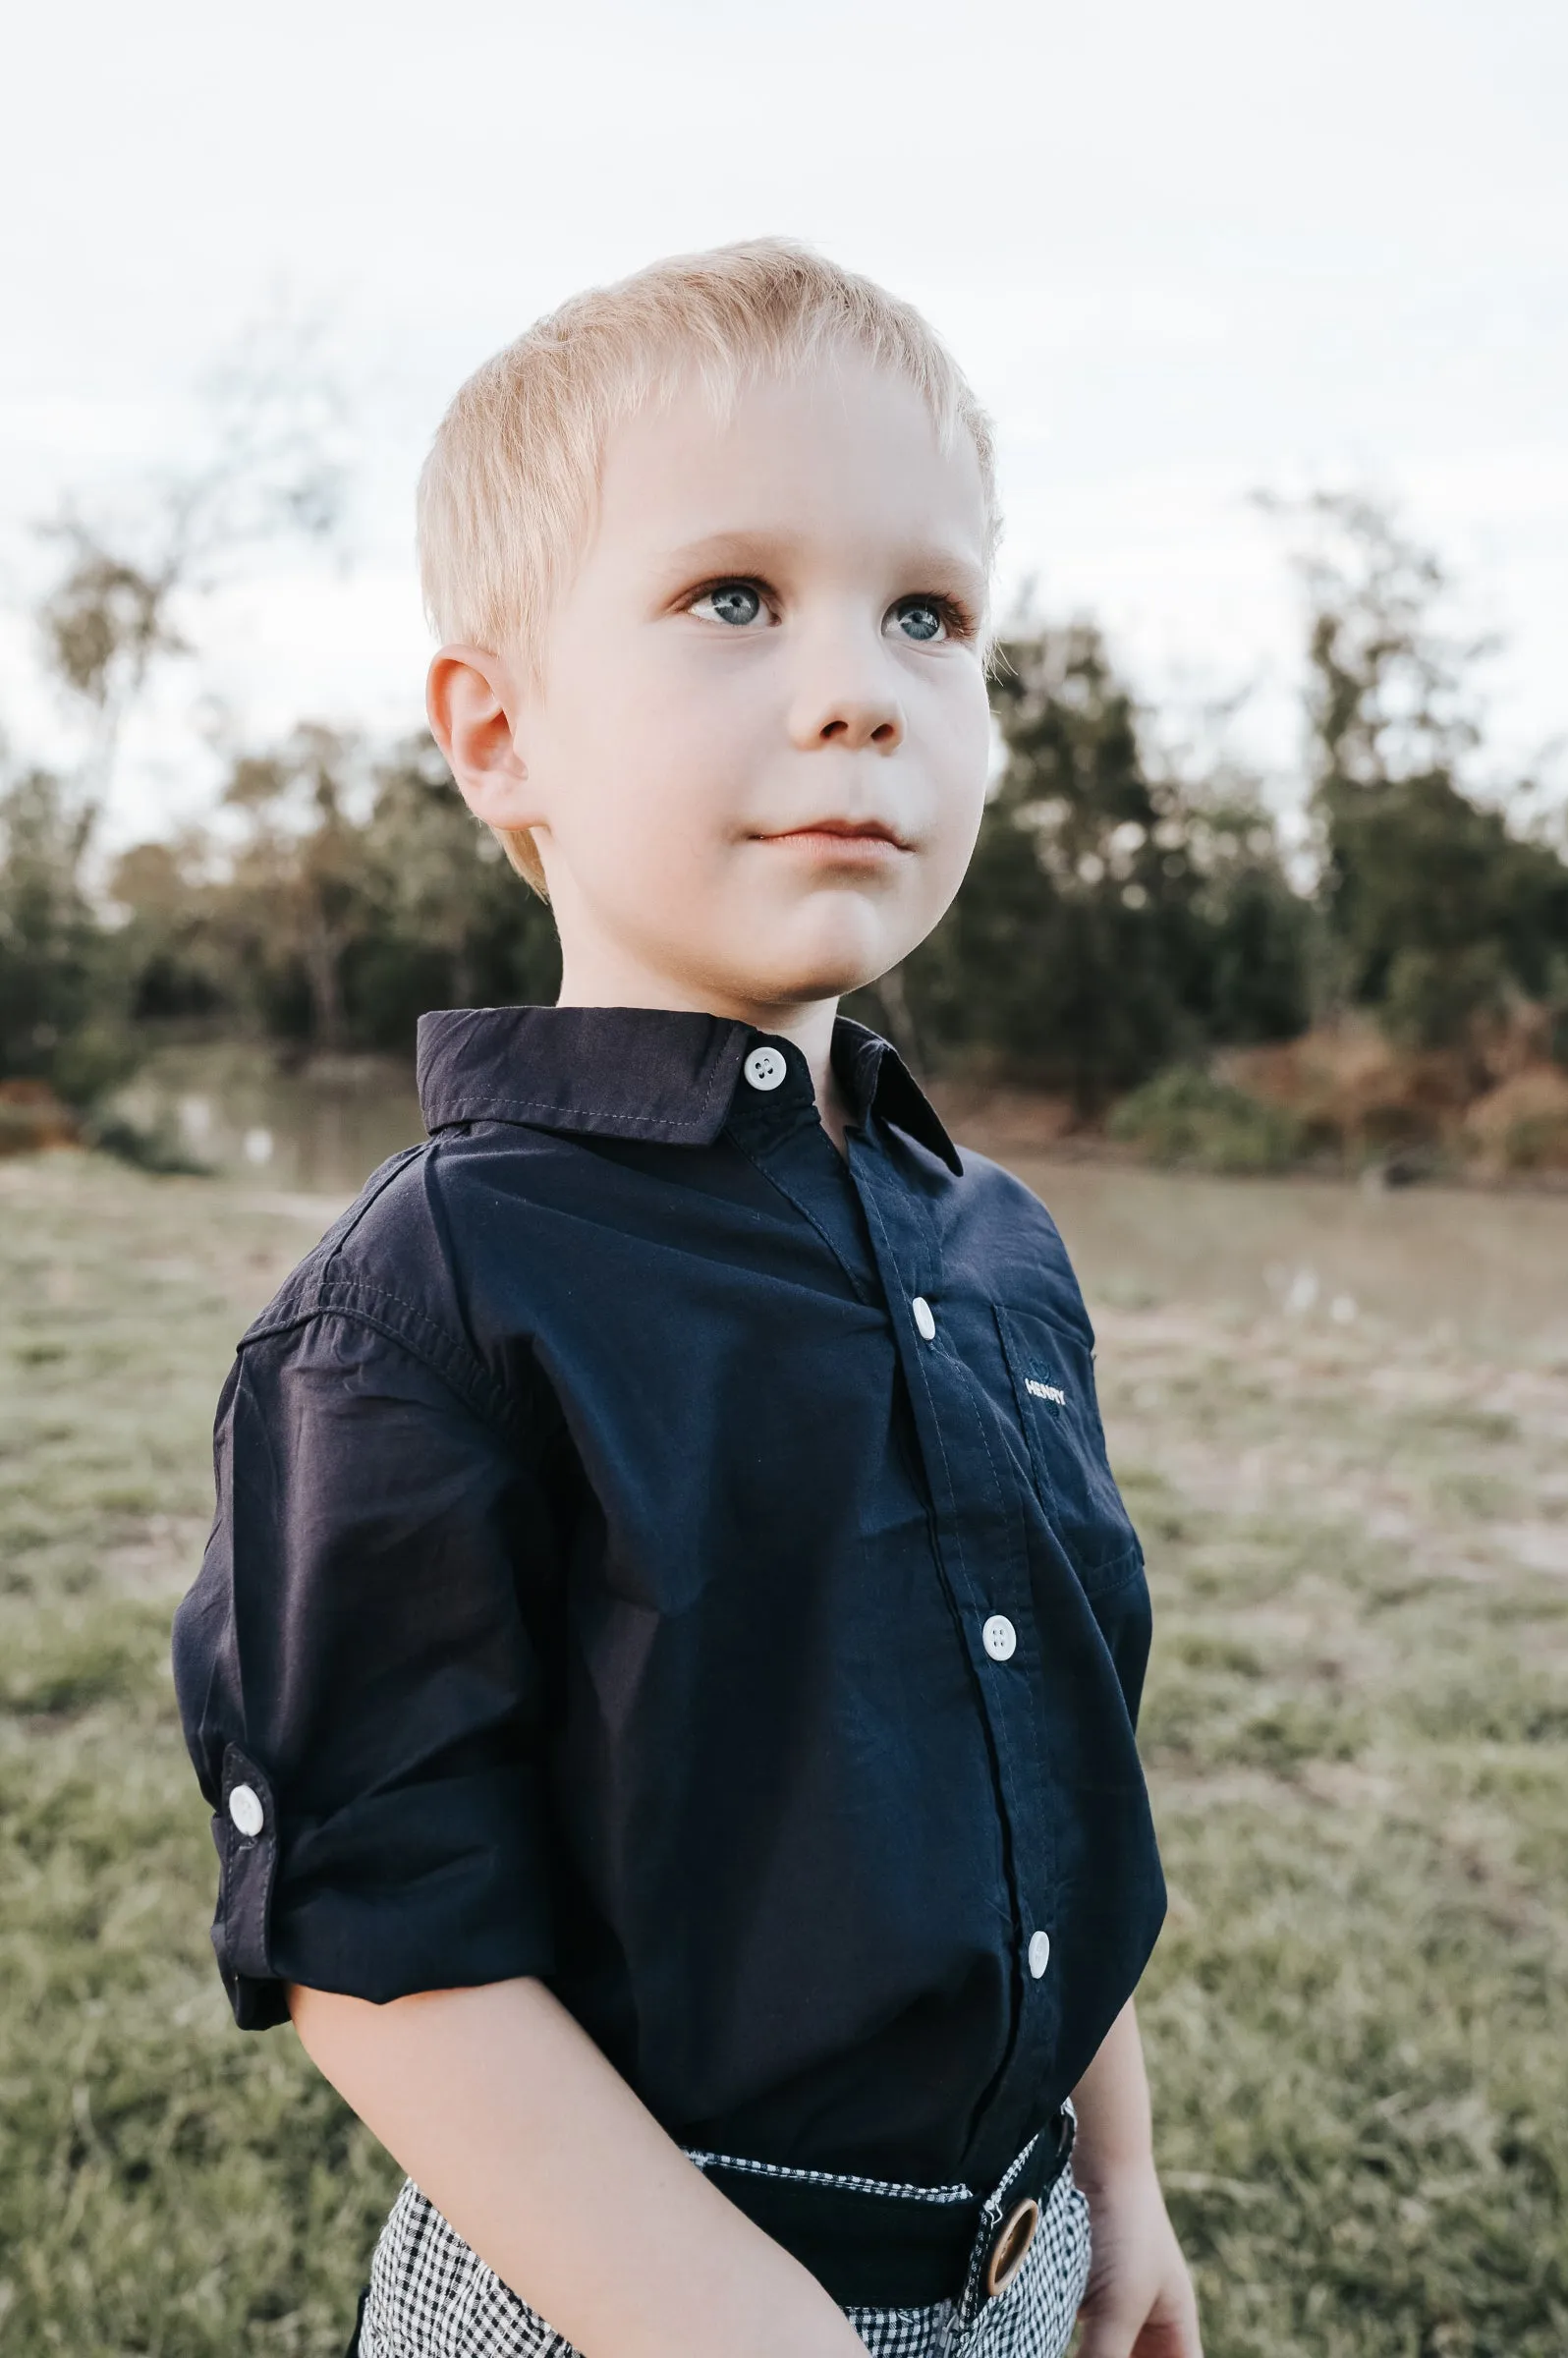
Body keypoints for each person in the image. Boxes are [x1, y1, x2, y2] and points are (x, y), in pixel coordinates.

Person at [173, 240, 1200, 2358]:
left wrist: (1113, 2190)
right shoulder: (430, 1294)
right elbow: (378, 1936)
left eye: (926, 612)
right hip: (622, 2297)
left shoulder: (993, 1242)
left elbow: (1054, 1750)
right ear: (498, 731)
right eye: (734, 597)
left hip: (1009, 2267)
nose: (859, 685)